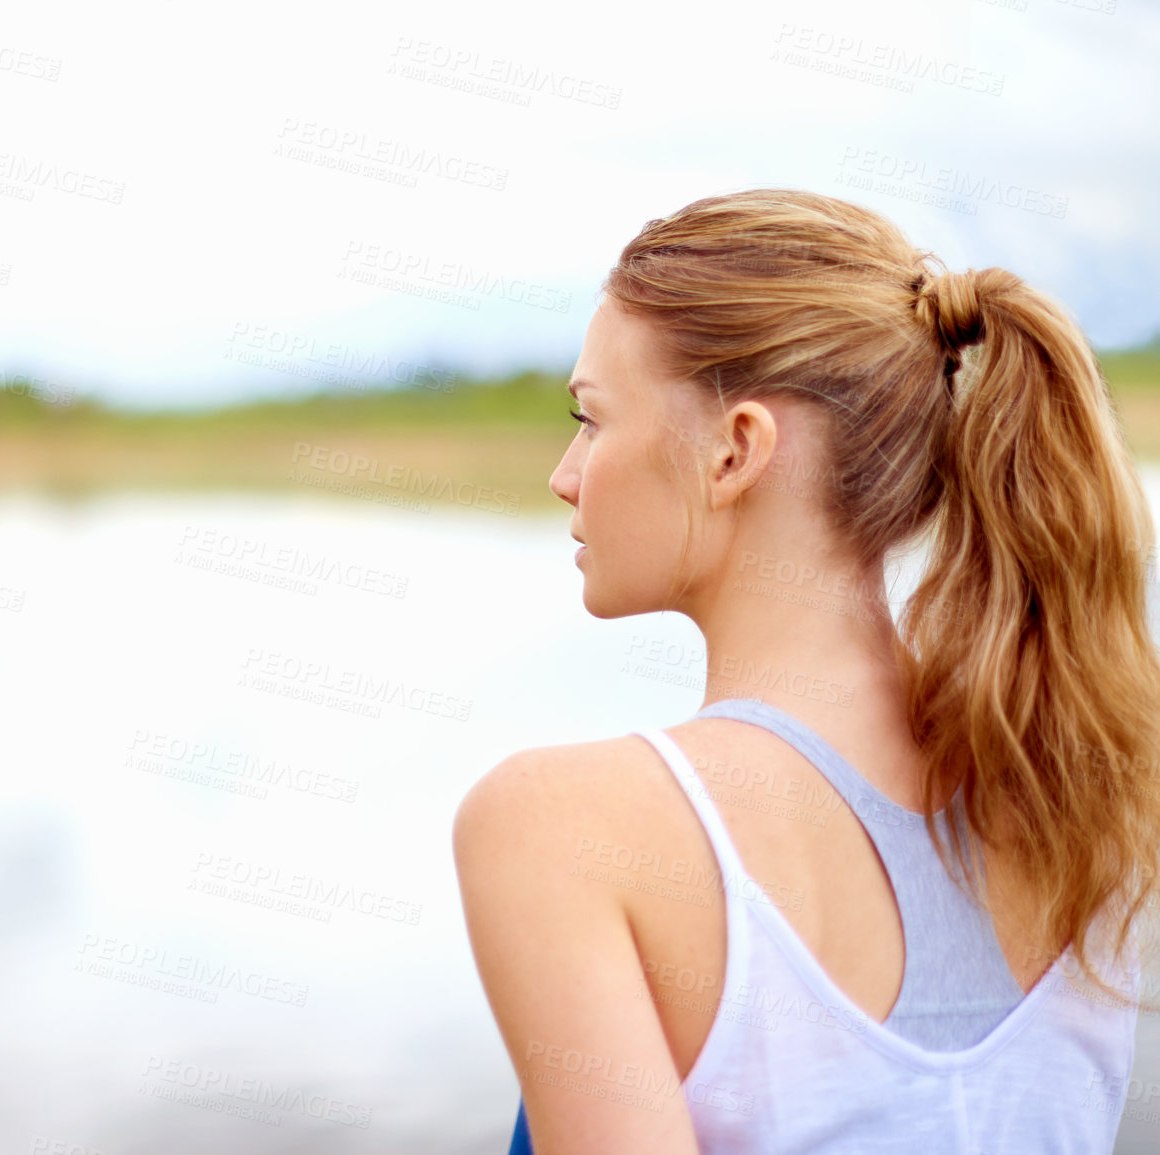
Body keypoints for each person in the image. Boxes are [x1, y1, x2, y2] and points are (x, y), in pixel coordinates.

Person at [452, 188, 1160, 1154]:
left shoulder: (558, 823)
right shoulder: (1080, 794)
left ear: (735, 448)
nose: (565, 474)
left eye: (589, 418)